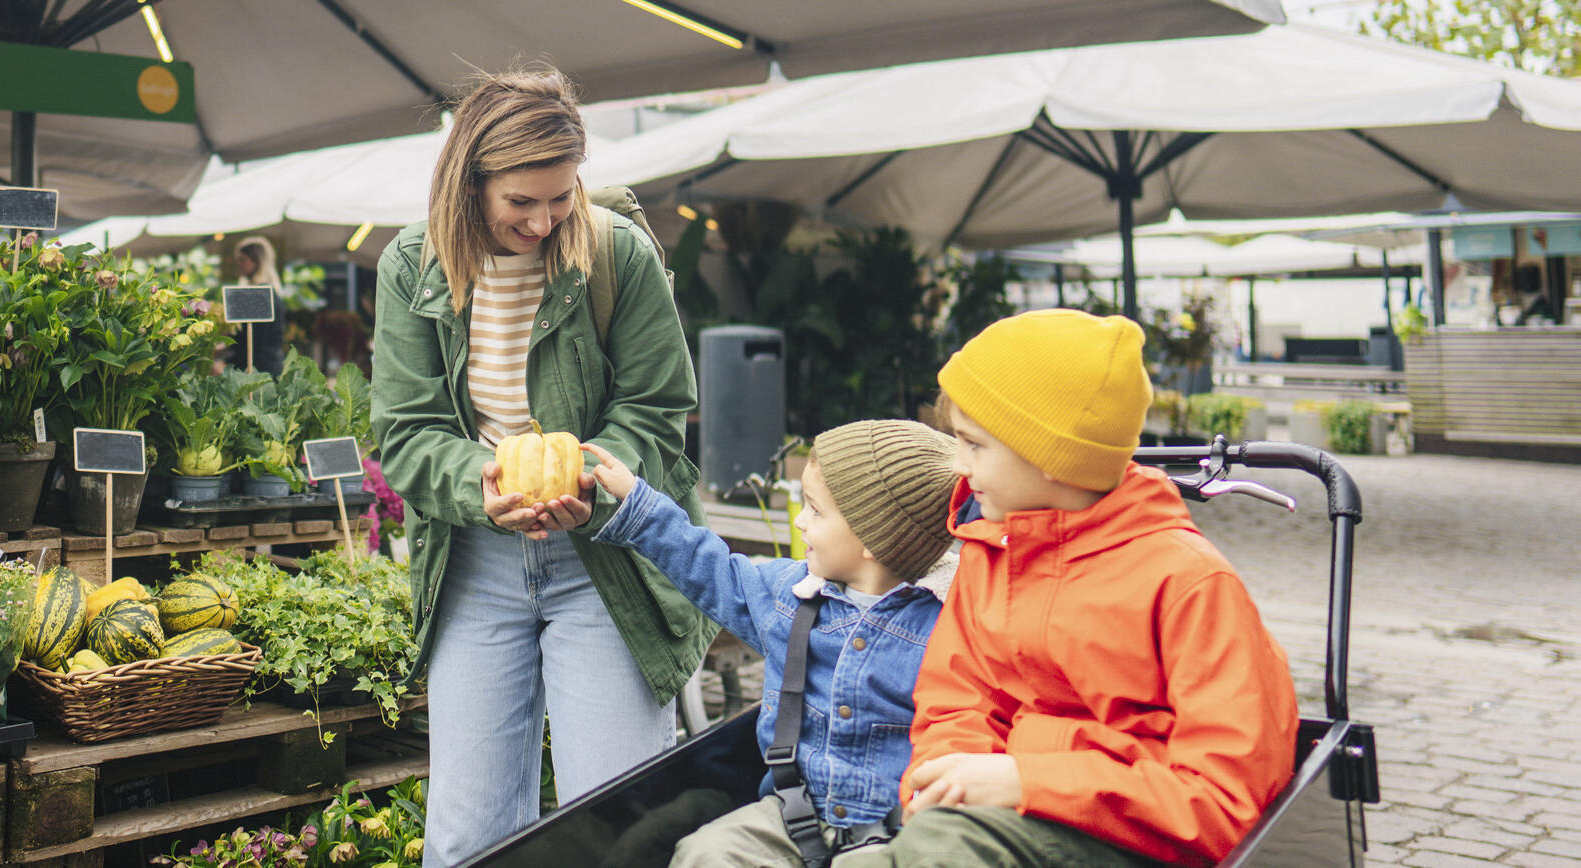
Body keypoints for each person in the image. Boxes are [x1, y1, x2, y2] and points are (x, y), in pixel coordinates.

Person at [370, 65, 710, 868]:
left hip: (607, 563)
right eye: (521, 202)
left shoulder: (615, 253)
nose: (544, 219)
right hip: (475, 564)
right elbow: (408, 431)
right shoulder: (410, 267)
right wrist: (477, 486)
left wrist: (593, 476)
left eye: (560, 197)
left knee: (621, 828)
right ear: (469, 182)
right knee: (465, 836)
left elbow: (659, 408)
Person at [843, 309, 1299, 868]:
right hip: (999, 822)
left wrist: (1026, 779)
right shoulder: (992, 554)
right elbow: (956, 702)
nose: (957, 464)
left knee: (940, 854)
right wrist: (948, 779)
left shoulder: (1190, 585)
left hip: (1135, 840)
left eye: (974, 445)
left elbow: (1224, 803)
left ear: (1051, 456)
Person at [581, 421, 961, 868]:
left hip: (900, 834)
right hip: (791, 816)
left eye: (815, 511)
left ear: (875, 538)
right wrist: (639, 505)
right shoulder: (791, 594)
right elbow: (710, 568)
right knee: (706, 853)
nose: (800, 520)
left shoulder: (949, 622)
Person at [227, 236, 285, 374]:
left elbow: (253, 339)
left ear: (257, 262)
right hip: (263, 366)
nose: (238, 264)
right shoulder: (266, 291)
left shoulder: (258, 293)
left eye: (242, 259)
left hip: (258, 369)